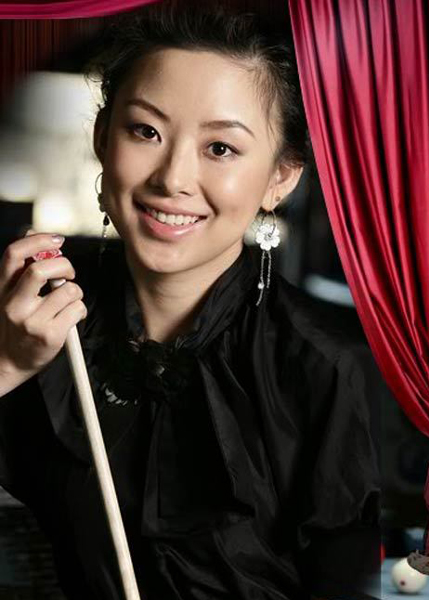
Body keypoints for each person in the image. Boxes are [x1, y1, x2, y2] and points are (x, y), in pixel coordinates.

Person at [0, 2, 381, 599]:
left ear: (281, 177)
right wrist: (7, 363)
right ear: (102, 138)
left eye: (220, 148)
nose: (173, 179)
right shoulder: (36, 308)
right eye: (145, 131)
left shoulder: (334, 368)